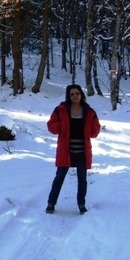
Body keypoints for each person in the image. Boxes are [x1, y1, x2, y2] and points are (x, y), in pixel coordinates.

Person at [45, 84, 101, 215]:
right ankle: (51, 203)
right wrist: (62, 126)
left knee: (82, 179)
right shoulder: (61, 109)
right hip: (66, 150)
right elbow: (51, 125)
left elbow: (95, 130)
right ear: (68, 96)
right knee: (59, 178)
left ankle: (81, 204)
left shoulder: (89, 111)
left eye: (77, 93)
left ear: (81, 94)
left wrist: (88, 129)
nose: (75, 96)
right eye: (72, 94)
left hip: (82, 151)